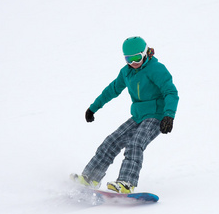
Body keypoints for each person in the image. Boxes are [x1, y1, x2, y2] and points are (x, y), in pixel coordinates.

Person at [71, 36, 179, 194]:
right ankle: (90, 178)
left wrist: (169, 115)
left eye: (137, 57)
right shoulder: (127, 72)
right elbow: (112, 90)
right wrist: (93, 108)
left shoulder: (156, 69)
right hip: (138, 116)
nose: (133, 62)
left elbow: (171, 92)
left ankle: (127, 182)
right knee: (111, 141)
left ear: (145, 53)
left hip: (156, 116)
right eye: (129, 59)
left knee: (135, 143)